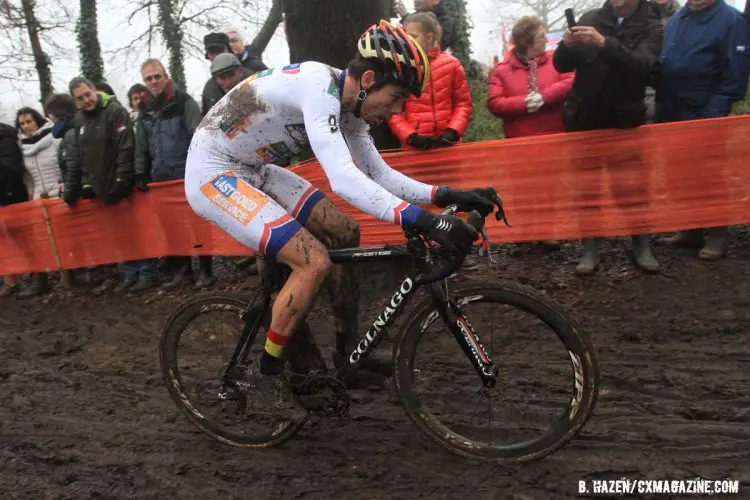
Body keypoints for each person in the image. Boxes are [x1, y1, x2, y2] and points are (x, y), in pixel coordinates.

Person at [185, 20, 497, 416]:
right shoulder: (318, 85)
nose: (398, 109)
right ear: (368, 78)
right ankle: (267, 376)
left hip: (255, 169)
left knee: (345, 230)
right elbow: (345, 180)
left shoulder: (352, 110)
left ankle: (349, 355)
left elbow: (379, 175)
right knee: (313, 261)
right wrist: (425, 221)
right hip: (214, 173)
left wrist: (446, 195)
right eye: (396, 96)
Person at [0, 122, 32, 298]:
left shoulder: (6, 137)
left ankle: (38, 276)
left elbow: (11, 167)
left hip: (10, 195)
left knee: (24, 239)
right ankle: (9, 279)